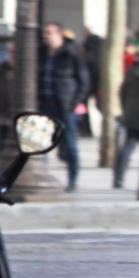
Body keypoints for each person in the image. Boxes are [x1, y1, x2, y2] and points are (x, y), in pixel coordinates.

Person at [39, 21, 91, 192]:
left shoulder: (70, 54)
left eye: (49, 32)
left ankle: (73, 180)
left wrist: (75, 102)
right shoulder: (41, 53)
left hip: (65, 106)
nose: (46, 36)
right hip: (45, 105)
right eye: (45, 32)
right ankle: (42, 177)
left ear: (59, 34)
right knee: (41, 144)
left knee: (70, 145)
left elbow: (83, 80)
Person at [114, 44, 139, 189]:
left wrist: (126, 109)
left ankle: (118, 178)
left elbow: (123, 91)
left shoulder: (132, 69)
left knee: (128, 146)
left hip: (132, 112)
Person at [0, 43, 17, 150]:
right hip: (2, 117)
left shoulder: (23, 70)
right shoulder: (2, 68)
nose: (11, 54)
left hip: (16, 119)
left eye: (13, 52)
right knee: (1, 147)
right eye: (9, 51)